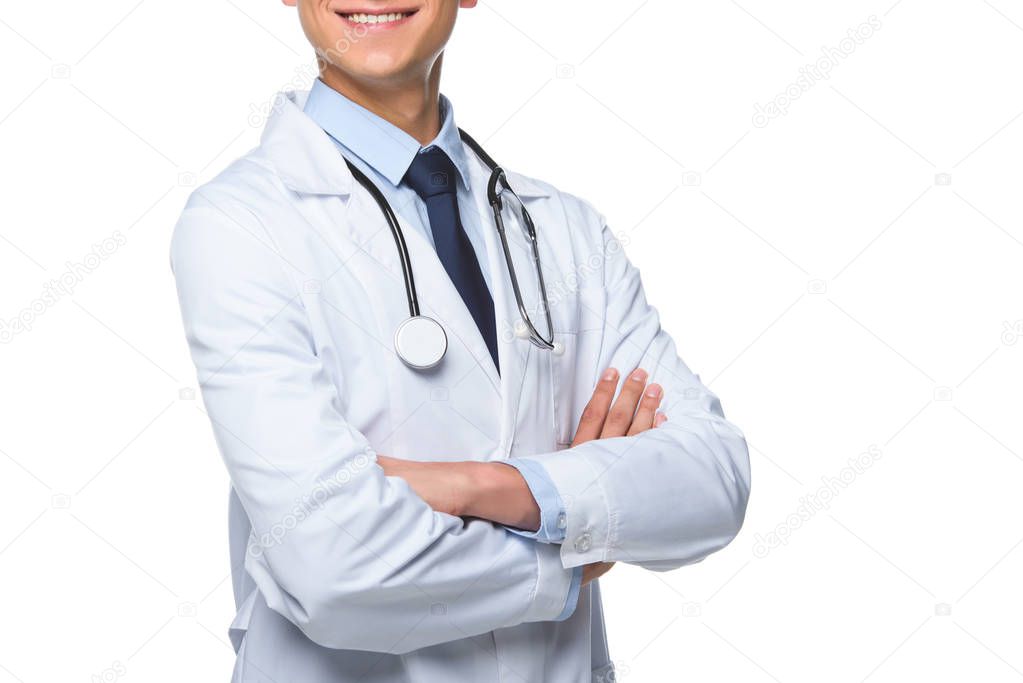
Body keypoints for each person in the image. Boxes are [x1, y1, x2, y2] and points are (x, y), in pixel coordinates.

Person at [170, 1, 751, 681]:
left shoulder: (562, 229)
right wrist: (572, 540)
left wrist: (484, 487)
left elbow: (712, 477)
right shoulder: (239, 225)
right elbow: (331, 560)